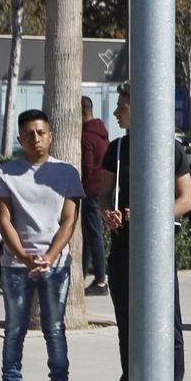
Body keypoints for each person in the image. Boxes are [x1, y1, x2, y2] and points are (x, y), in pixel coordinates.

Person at [93, 82, 191, 381]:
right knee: (127, 322)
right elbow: (103, 194)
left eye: (122, 105)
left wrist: (153, 212)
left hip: (158, 250)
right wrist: (108, 212)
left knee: (168, 322)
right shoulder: (117, 149)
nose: (117, 112)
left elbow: (186, 200)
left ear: (140, 109)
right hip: (123, 246)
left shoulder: (170, 149)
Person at [0, 109, 87, 381]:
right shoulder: (5, 174)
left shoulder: (67, 173)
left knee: (55, 329)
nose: (36, 138)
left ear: (51, 135)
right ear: (20, 138)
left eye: (41, 132)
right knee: (14, 329)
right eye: (29, 134)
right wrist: (24, 255)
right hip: (16, 266)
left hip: (55, 266)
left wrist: (52, 255)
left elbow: (70, 221)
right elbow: (4, 220)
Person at [80, 96, 111, 296]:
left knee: (93, 234)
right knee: (91, 235)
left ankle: (100, 280)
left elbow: (87, 167)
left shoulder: (86, 137)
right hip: (102, 188)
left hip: (90, 191)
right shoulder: (102, 133)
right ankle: (82, 274)